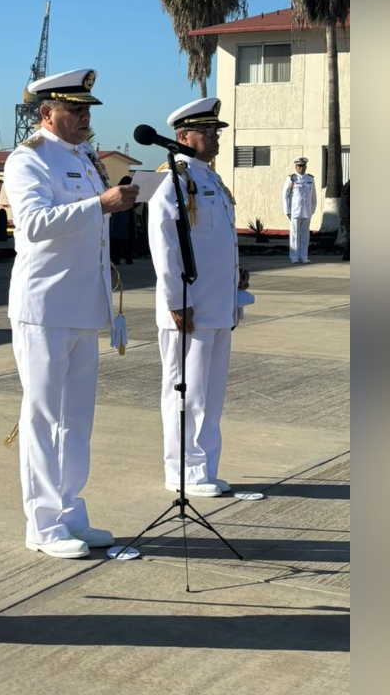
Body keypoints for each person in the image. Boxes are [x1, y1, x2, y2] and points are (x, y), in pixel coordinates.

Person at [4, 68, 138, 559]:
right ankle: (41, 523)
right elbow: (34, 224)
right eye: (75, 109)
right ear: (46, 114)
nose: (85, 117)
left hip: (83, 303)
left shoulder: (85, 158)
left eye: (87, 109)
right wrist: (99, 205)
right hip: (45, 305)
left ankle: (69, 511)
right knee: (42, 415)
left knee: (76, 416)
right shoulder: (29, 160)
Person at [148, 97, 249, 498]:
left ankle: (204, 466)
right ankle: (182, 471)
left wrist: (236, 278)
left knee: (210, 393)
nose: (214, 137)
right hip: (189, 306)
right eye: (207, 131)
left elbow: (217, 239)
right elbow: (164, 241)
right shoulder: (173, 179)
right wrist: (175, 300)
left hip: (217, 304)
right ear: (182, 136)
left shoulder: (210, 179)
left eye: (216, 131)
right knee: (184, 390)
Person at [283, 156, 317, 264]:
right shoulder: (291, 179)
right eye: (299, 166)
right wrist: (287, 210)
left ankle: (304, 256)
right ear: (296, 167)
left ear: (306, 167)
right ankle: (294, 256)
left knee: (305, 235)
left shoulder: (310, 179)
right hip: (295, 211)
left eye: (303, 166)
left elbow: (313, 196)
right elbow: (285, 195)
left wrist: (312, 209)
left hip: (306, 211)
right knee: (294, 235)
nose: (301, 168)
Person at [109, 175, 135, 264]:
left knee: (122, 239)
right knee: (120, 240)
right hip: (121, 217)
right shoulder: (119, 191)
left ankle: (122, 258)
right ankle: (122, 258)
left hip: (124, 217)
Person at [340, 178, 350, 261]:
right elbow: (347, 199)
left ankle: (347, 255)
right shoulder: (349, 185)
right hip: (347, 214)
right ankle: (347, 255)